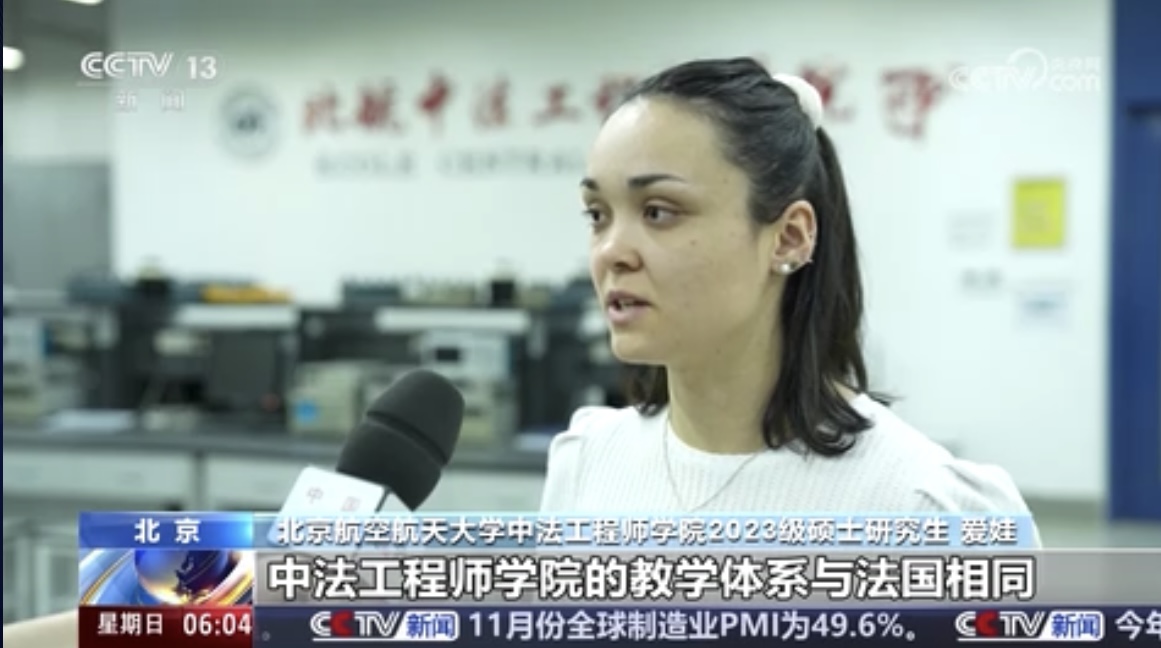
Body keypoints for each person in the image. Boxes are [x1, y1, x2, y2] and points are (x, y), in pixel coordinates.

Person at [540, 57, 1038, 530]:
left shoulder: (924, 506)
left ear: (790, 237)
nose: (611, 252)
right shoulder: (588, 462)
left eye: (659, 212)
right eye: (597, 215)